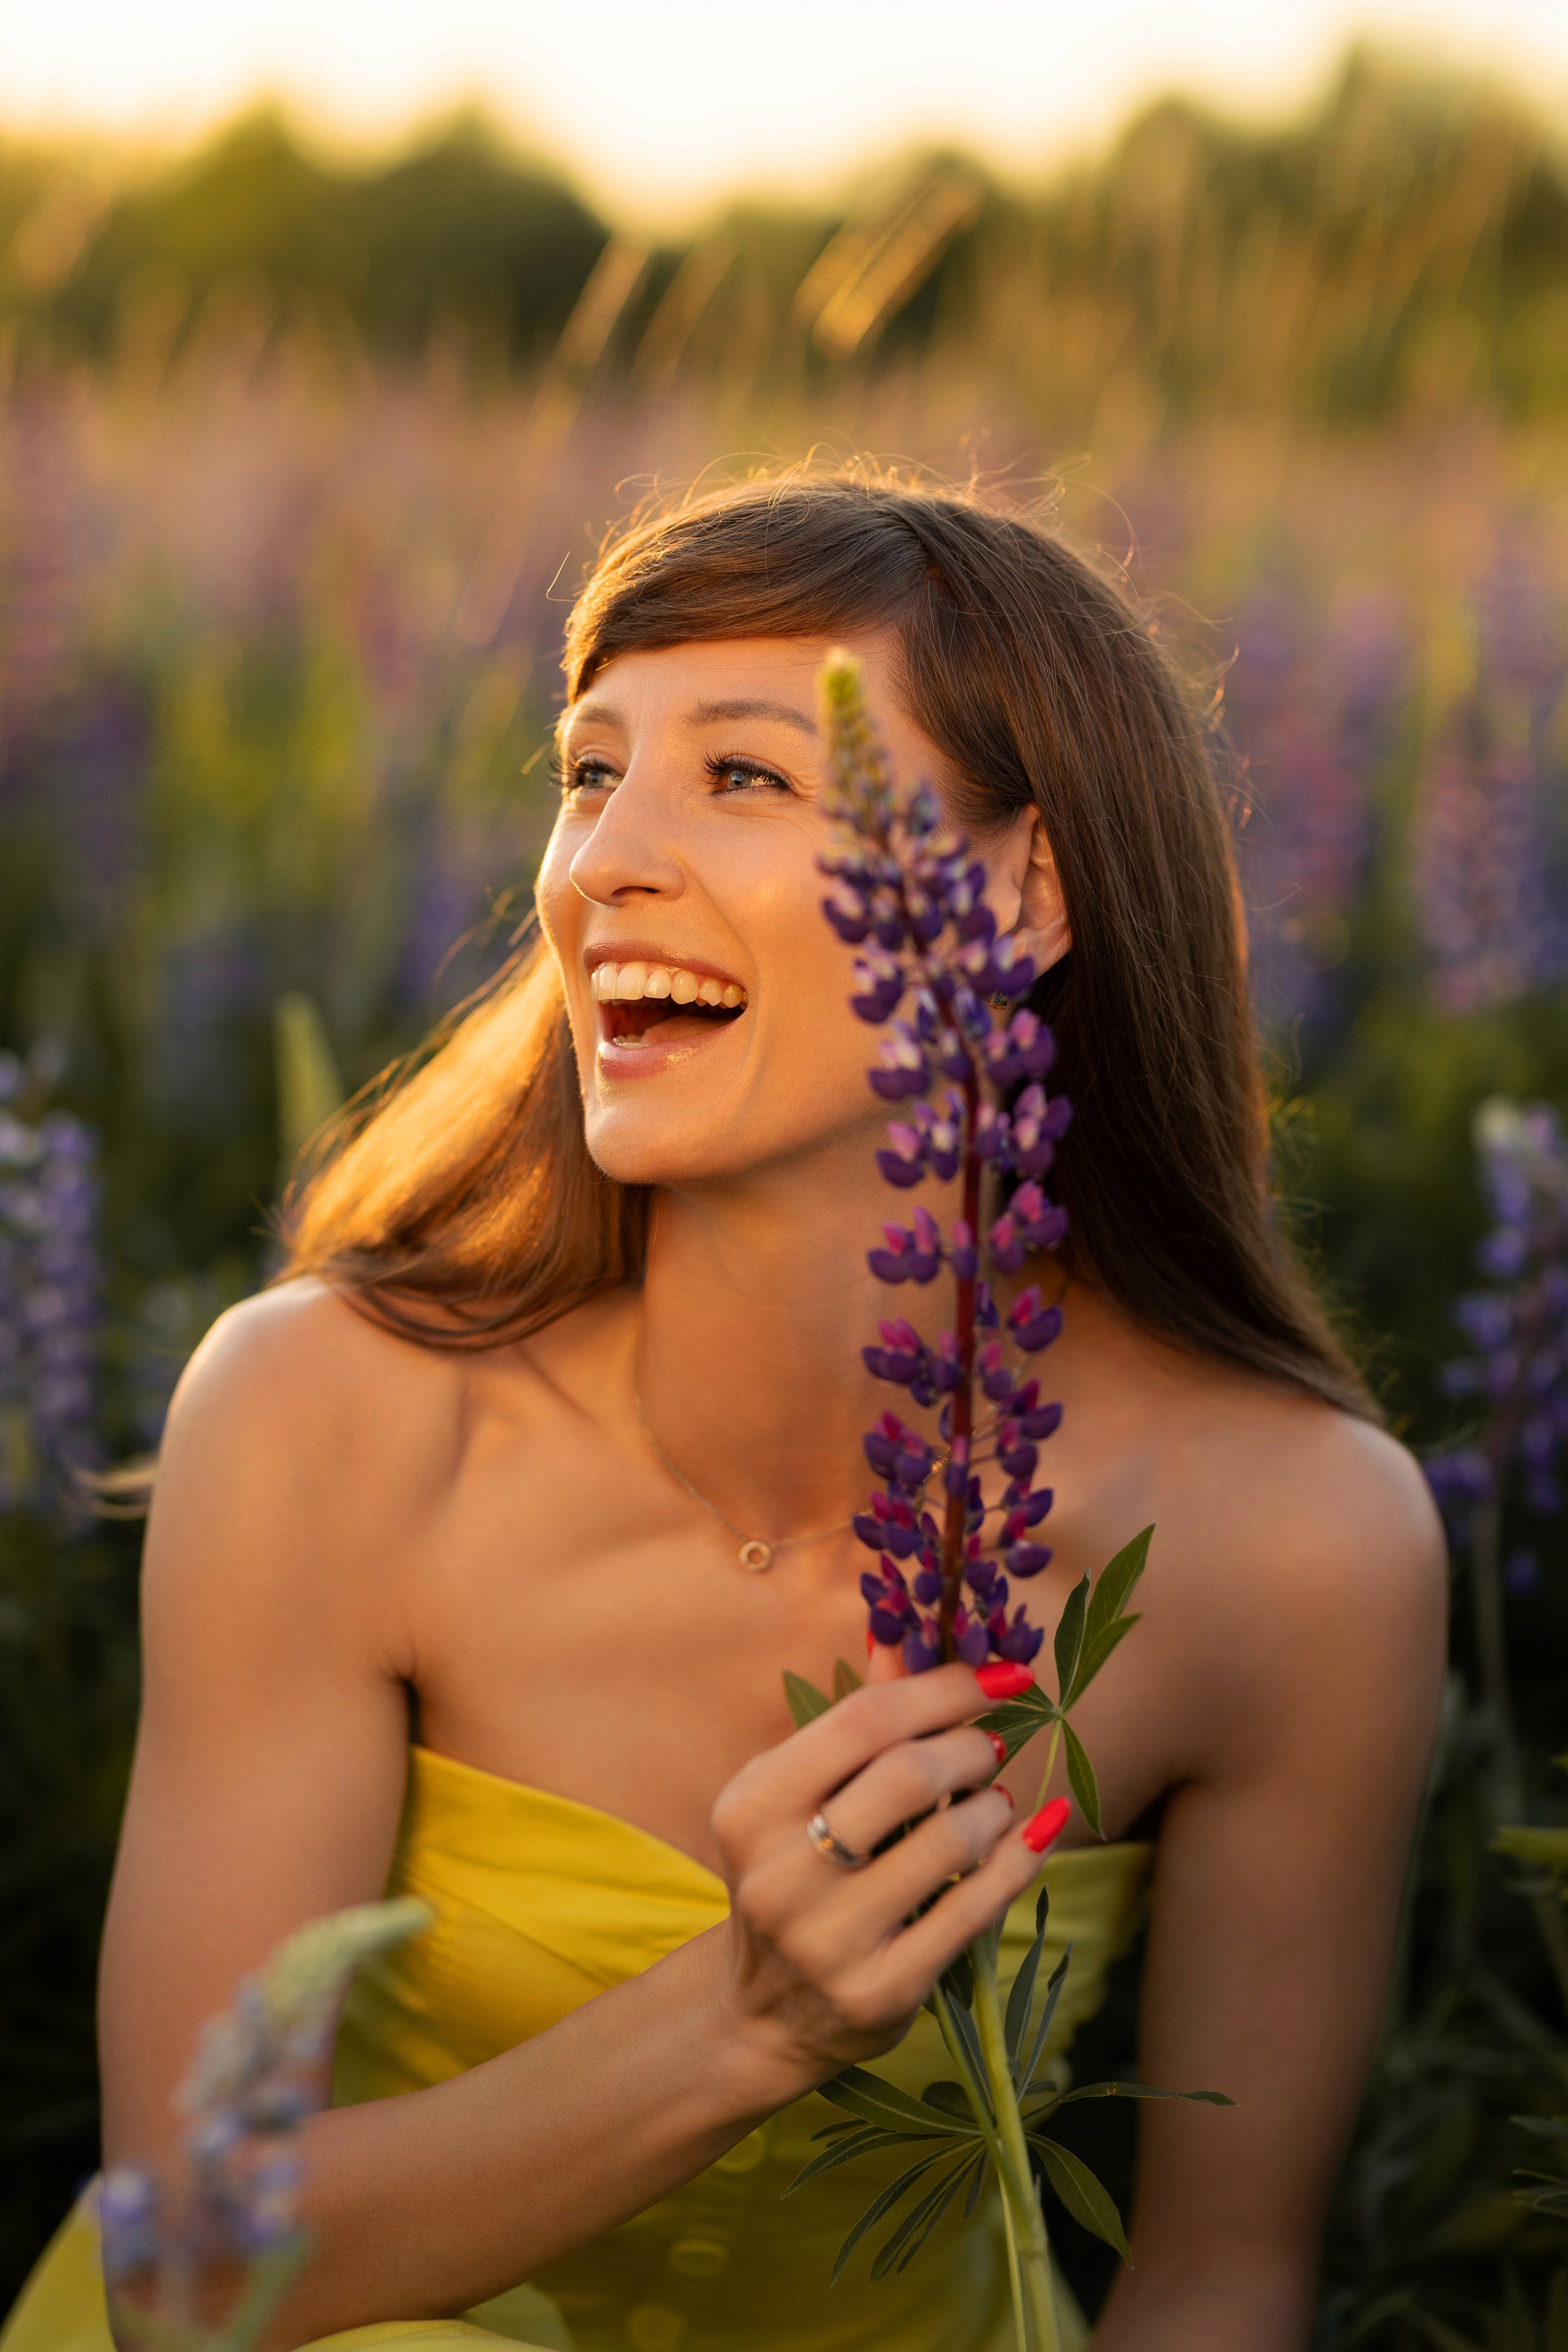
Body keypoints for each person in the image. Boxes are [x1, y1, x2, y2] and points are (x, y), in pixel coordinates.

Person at [4, 471, 1446, 2352]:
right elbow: (185, 2268)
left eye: (747, 775)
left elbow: (1218, 2275)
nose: (601, 863)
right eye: (589, 773)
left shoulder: (1299, 1544)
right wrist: (745, 2022)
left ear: (1024, 893)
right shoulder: (328, 1414)